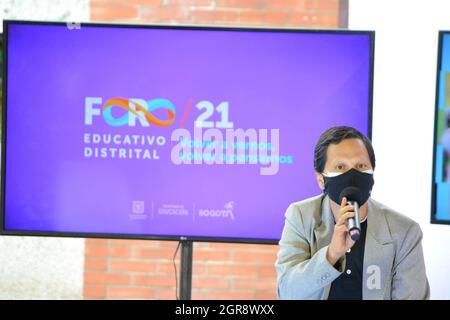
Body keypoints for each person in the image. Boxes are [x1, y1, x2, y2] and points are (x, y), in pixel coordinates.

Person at [275, 126, 430, 300]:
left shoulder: (405, 232)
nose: (352, 174)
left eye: (361, 166)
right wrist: (331, 254)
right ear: (321, 179)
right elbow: (288, 292)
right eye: (340, 166)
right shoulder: (301, 216)